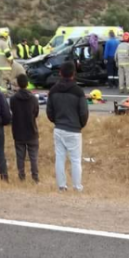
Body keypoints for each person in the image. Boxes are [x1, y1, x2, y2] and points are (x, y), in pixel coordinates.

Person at [46, 61, 89, 192]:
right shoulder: (78, 91)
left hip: (59, 128)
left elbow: (49, 111)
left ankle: (62, 186)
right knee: (75, 160)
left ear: (60, 73)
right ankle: (77, 187)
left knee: (60, 158)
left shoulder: (53, 90)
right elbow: (83, 112)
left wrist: (56, 121)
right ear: (73, 74)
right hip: (74, 129)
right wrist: (80, 125)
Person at [10, 74, 39, 183]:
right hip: (31, 130)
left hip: (18, 130)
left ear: (18, 84)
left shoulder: (13, 99)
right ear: (27, 84)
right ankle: (35, 177)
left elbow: (12, 111)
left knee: (20, 156)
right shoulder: (33, 99)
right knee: (33, 156)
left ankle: (21, 176)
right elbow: (36, 113)